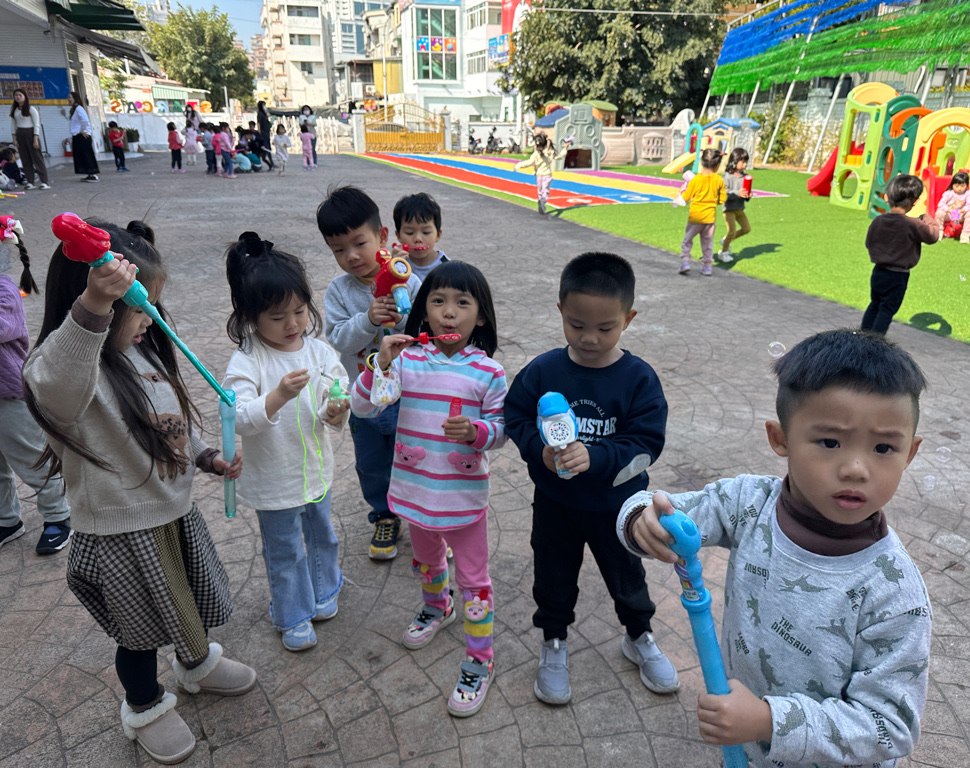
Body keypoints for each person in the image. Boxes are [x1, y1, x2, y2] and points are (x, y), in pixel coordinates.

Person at [618, 328, 932, 768]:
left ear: (910, 453)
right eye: (830, 442)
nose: (856, 468)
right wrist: (641, 519)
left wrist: (770, 722)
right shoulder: (748, 505)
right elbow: (663, 508)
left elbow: (890, 726)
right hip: (745, 748)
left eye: (884, 447)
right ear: (780, 438)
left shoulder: (894, 592)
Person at [22, 219, 254, 765]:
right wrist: (94, 307)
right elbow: (55, 389)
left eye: (152, 303)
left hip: (171, 516)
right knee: (139, 633)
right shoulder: (64, 367)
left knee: (187, 602)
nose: (150, 317)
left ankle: (195, 665)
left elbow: (171, 421)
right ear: (95, 300)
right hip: (121, 533)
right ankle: (144, 705)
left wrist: (206, 456)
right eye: (138, 305)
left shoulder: (141, 351)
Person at [504, 252, 679, 706]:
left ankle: (639, 635)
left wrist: (597, 457)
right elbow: (516, 416)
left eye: (605, 328)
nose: (589, 338)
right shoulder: (543, 371)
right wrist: (540, 451)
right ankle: (554, 640)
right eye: (577, 324)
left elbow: (646, 444)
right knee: (552, 573)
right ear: (561, 310)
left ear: (628, 319)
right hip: (556, 503)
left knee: (627, 574)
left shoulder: (638, 379)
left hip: (618, 507)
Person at [350, 261, 507, 717]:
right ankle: (437, 607)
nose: (448, 312)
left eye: (462, 303)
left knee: (474, 583)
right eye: (438, 301)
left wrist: (476, 432)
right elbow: (363, 407)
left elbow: (501, 429)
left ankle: (480, 658)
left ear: (481, 316)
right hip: (416, 490)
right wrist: (380, 362)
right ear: (423, 310)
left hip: (462, 498)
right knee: (427, 560)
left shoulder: (489, 372)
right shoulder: (408, 359)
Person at [222, 232, 349, 652]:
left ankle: (324, 590)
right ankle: (293, 613)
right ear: (250, 315)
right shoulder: (248, 359)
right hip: (275, 481)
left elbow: (336, 389)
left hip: (315, 471)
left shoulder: (318, 351)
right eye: (278, 317)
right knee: (285, 550)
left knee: (322, 535)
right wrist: (277, 395)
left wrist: (336, 409)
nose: (293, 324)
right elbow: (239, 418)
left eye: (299, 311)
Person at [317, 186, 422, 560]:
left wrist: (400, 312)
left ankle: (423, 517)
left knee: (414, 456)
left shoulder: (408, 280)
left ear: (382, 236)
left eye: (359, 243)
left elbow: (420, 332)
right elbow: (339, 339)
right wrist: (368, 319)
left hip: (409, 395)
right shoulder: (339, 291)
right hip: (364, 397)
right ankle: (385, 515)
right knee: (372, 463)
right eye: (338, 250)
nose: (351, 256)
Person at [0, 217, 73, 555]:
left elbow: (5, 328)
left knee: (32, 458)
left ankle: (58, 516)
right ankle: (7, 520)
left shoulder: (5, 290)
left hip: (9, 394)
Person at [860, 174, 941, 335]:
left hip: (878, 272)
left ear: (887, 197)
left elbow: (869, 242)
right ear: (915, 201)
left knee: (875, 304)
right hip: (898, 276)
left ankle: (862, 337)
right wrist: (928, 219)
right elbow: (933, 236)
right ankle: (875, 342)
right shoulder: (914, 224)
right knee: (887, 310)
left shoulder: (878, 221)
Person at [678, 148, 726, 275]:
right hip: (709, 218)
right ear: (717, 165)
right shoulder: (719, 180)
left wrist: (682, 190)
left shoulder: (696, 180)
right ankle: (707, 267)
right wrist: (712, 201)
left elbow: (686, 197)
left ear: (702, 162)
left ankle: (685, 262)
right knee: (707, 243)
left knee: (687, 240)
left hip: (695, 217)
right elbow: (722, 199)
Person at [393, 192, 449, 280]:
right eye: (409, 233)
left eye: (426, 232)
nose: (418, 239)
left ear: (438, 235)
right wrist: (392, 268)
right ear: (398, 235)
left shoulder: (447, 267)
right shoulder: (399, 263)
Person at [514, 133, 570, 214]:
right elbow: (560, 156)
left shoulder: (536, 154)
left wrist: (518, 165)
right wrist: (565, 148)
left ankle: (541, 204)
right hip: (547, 175)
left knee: (540, 192)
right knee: (545, 191)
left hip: (539, 176)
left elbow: (529, 163)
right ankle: (542, 202)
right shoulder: (550, 152)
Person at [8, 88, 50, 189]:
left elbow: (37, 124)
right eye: (16, 95)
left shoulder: (31, 109)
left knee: (37, 158)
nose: (18, 97)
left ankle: (44, 181)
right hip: (20, 134)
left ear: (25, 97)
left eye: (20, 95)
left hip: (30, 133)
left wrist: (35, 138)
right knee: (25, 159)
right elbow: (13, 124)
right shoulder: (14, 109)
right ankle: (30, 182)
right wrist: (14, 138)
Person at [719, 147, 752, 263]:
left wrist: (748, 195)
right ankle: (723, 253)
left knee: (746, 229)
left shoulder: (745, 177)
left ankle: (725, 240)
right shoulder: (726, 177)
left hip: (740, 209)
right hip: (729, 210)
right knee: (731, 231)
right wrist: (738, 193)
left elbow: (746, 196)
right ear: (734, 161)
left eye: (746, 162)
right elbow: (724, 194)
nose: (745, 165)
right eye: (742, 162)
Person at [68, 91, 99, 183]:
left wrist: (83, 130)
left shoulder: (79, 108)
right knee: (82, 156)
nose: (68, 99)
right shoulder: (74, 109)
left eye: (70, 97)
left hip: (82, 137)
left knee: (87, 155)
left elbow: (85, 120)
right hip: (77, 136)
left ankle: (93, 174)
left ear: (75, 98)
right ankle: (89, 174)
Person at [935, 171, 970, 243]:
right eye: (957, 186)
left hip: (960, 214)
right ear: (952, 185)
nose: (959, 188)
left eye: (962, 186)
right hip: (949, 214)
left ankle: (965, 234)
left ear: (967, 185)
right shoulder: (948, 193)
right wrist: (949, 210)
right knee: (939, 212)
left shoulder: (967, 193)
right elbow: (941, 204)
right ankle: (939, 231)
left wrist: (962, 211)